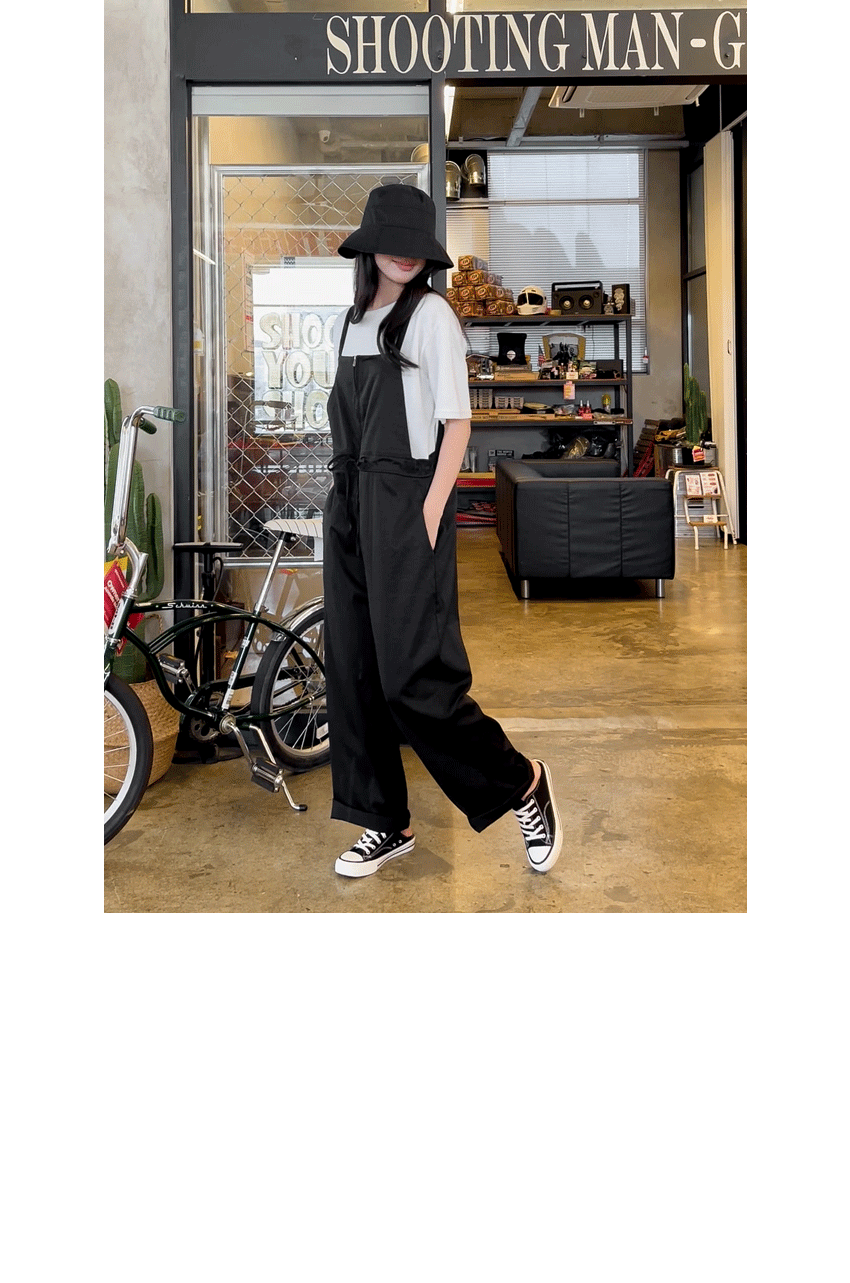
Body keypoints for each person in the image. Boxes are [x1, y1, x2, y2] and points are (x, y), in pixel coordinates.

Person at [323, 182, 562, 878]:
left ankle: (523, 782)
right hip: (350, 502)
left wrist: (428, 514)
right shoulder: (350, 321)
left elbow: (458, 423)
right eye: (391, 242)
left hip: (406, 504)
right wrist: (341, 511)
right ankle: (383, 821)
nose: (403, 255)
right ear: (370, 246)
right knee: (354, 671)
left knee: (415, 679)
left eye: (415, 245)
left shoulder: (431, 316)